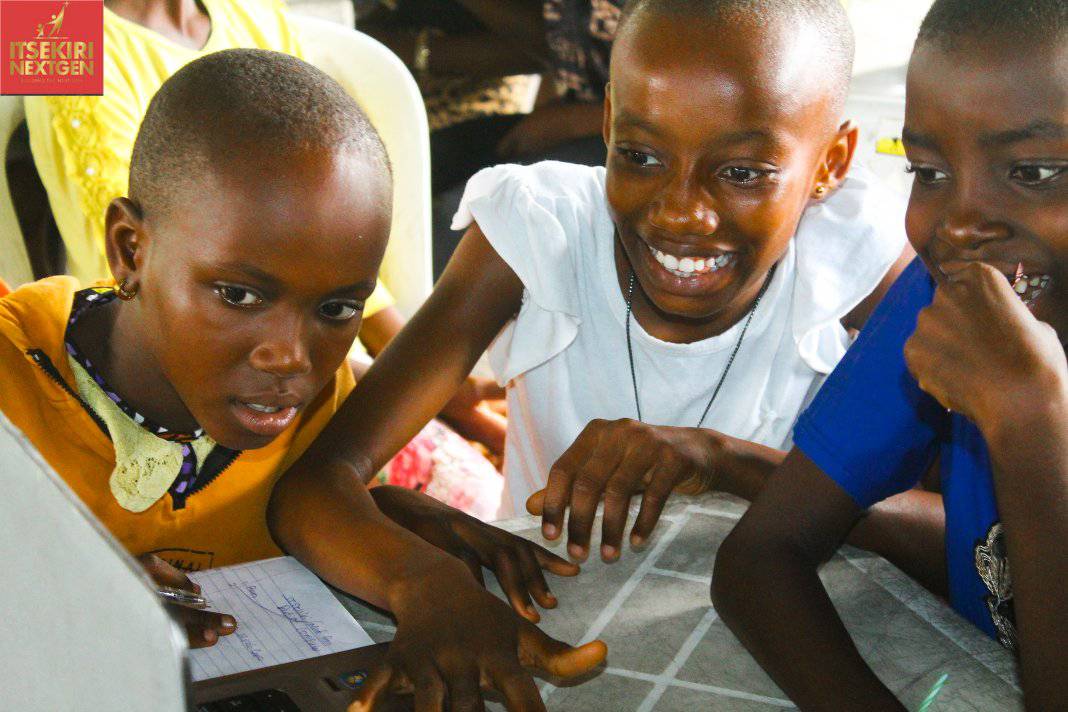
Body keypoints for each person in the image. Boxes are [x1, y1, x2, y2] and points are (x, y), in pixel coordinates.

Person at [0, 49, 605, 708]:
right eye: (237, 295)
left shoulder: (316, 410)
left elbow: (291, 518)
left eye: (337, 308)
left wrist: (390, 531)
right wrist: (58, 597)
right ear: (129, 250)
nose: (291, 358)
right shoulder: (14, 382)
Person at [279, 0, 915, 621]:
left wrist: (722, 462)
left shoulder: (853, 257)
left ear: (831, 162)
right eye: (641, 156)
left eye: (744, 173)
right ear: (609, 122)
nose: (680, 213)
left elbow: (955, 529)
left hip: (775, 630)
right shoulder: (538, 233)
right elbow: (315, 487)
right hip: (550, 611)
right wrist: (432, 590)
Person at [712, 1, 1068, 708]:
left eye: (1031, 171)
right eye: (929, 171)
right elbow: (760, 556)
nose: (960, 222)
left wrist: (1034, 422)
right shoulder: (942, 298)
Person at [22, 0, 507, 513]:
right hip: (160, 368)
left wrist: (415, 374)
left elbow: (321, 249)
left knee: (479, 500)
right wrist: (401, 387)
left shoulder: (254, 13)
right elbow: (148, 256)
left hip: (300, 359)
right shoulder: (46, 24)